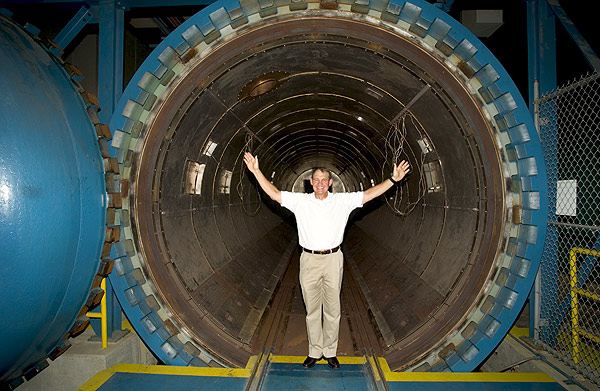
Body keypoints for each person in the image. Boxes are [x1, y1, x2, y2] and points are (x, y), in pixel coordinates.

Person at [243, 152, 410, 369]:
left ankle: (330, 351)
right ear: (310, 182)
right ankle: (315, 351)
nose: (320, 184)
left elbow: (369, 194)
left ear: (330, 183)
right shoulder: (300, 201)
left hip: (333, 259)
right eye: (316, 180)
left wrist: (393, 180)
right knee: (312, 309)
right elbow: (274, 194)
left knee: (332, 309)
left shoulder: (342, 201)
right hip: (309, 260)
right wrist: (256, 171)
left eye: (324, 180)